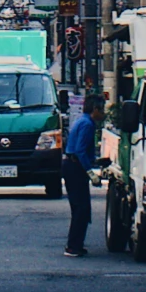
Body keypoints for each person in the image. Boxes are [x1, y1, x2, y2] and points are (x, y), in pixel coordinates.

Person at [62, 92, 105, 257]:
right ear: (95, 109)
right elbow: (80, 150)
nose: (103, 113)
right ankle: (73, 246)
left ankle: (76, 244)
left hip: (71, 165)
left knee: (79, 208)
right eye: (101, 109)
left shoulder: (83, 121)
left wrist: (96, 162)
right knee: (81, 208)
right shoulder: (88, 124)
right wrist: (90, 172)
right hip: (75, 168)